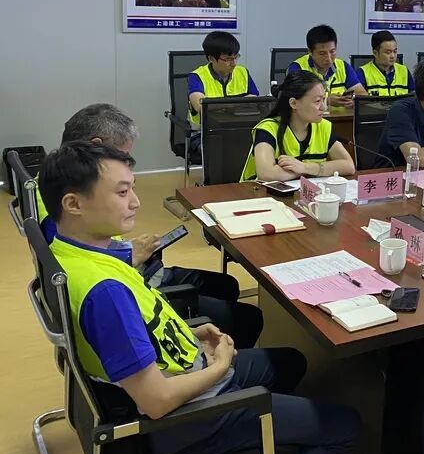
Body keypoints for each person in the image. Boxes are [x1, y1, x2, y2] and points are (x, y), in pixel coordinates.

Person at [39, 142, 361, 454]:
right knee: (344, 428)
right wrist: (219, 367)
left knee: (291, 363)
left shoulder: (75, 252)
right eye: (122, 192)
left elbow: (135, 329)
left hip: (188, 370)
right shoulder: (104, 293)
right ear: (73, 204)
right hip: (186, 419)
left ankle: (258, 445)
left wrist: (190, 333)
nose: (136, 202)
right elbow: (157, 402)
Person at [37, 104, 263, 349]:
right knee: (247, 317)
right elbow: (84, 266)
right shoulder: (102, 286)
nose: (135, 202)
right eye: (121, 155)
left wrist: (126, 250)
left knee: (226, 285)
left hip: (128, 272)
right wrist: (128, 257)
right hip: (136, 287)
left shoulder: (55, 185)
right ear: (97, 146)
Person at [241, 71, 355, 182]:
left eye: (324, 100)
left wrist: (305, 168)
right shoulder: (268, 129)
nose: (323, 107)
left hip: (301, 192)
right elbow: (266, 173)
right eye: (317, 101)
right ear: (294, 103)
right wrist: (311, 170)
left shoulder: (323, 126)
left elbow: (348, 166)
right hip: (254, 192)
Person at [188, 30, 259, 130]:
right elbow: (200, 106)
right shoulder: (197, 76)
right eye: (228, 59)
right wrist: (239, 102)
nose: (234, 63)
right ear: (211, 59)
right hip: (206, 131)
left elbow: (255, 99)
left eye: (236, 57)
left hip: (239, 127)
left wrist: (218, 105)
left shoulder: (242, 72)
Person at [288, 24, 364, 107]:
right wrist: (326, 100)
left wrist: (351, 100)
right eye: (322, 53)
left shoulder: (343, 66)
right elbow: (295, 100)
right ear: (310, 51)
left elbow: (362, 95)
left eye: (332, 51)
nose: (328, 58)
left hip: (341, 114)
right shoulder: (297, 68)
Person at [357, 30, 413, 96]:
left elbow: (414, 97)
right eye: (388, 52)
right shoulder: (363, 73)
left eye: (395, 51)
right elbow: (359, 100)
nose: (392, 56)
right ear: (375, 53)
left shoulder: (404, 71)